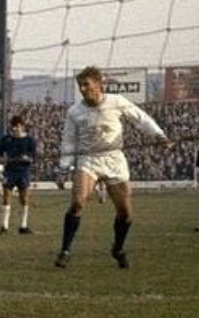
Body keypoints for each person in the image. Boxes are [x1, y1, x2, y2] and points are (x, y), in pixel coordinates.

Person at [53, 66, 173, 269]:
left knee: (125, 213)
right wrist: (64, 168)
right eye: (80, 85)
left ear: (100, 84)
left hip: (114, 158)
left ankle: (117, 248)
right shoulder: (74, 111)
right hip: (88, 159)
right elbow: (68, 141)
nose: (83, 89)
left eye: (86, 84)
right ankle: (64, 251)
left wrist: (159, 136)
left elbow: (140, 118)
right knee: (78, 203)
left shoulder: (116, 102)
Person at [0, 114, 37, 234]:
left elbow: (34, 157)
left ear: (23, 126)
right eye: (13, 126)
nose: (15, 128)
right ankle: (4, 226)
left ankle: (23, 226)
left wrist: (27, 158)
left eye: (18, 126)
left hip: (23, 172)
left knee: (24, 198)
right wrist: (2, 160)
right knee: (6, 197)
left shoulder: (30, 140)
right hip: (9, 171)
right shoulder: (6, 139)